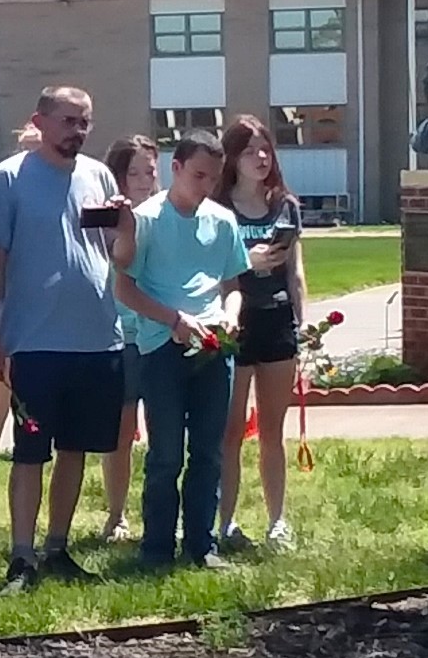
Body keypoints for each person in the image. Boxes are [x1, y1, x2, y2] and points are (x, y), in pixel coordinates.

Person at [0, 87, 130, 594]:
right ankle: (22, 556)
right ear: (39, 121)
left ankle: (57, 548)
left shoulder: (99, 176)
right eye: (68, 120)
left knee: (75, 448)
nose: (78, 131)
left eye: (84, 122)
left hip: (97, 338)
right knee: (30, 451)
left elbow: (117, 252)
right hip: (34, 342)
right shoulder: (8, 179)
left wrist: (127, 226)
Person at [114, 131, 250, 569]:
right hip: (162, 348)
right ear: (175, 168)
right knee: (166, 453)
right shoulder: (147, 220)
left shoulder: (222, 221)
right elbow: (124, 289)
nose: (206, 185)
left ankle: (201, 545)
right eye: (198, 175)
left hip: (213, 347)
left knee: (209, 450)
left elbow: (233, 285)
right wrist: (173, 320)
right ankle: (156, 547)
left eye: (213, 178)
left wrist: (231, 313)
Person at [215, 115, 306, 552]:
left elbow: (296, 271)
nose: (261, 158)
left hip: (277, 321)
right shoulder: (218, 208)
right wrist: (244, 260)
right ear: (232, 158)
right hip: (234, 324)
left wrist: (302, 324)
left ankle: (277, 521)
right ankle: (224, 523)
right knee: (230, 431)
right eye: (250, 151)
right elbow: (209, 271)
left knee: (273, 430)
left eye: (266, 149)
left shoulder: (284, 205)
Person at [98, 134, 162, 543]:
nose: (142, 180)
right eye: (133, 173)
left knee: (164, 430)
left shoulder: (167, 213)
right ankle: (117, 515)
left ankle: (160, 515)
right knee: (120, 430)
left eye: (149, 172)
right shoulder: (107, 217)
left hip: (159, 331)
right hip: (119, 333)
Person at [0, 124, 42, 459]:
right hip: (10, 288)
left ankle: (35, 435)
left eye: (35, 145)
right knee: (3, 368)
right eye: (25, 146)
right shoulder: (5, 181)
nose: (30, 152)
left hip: (44, 290)